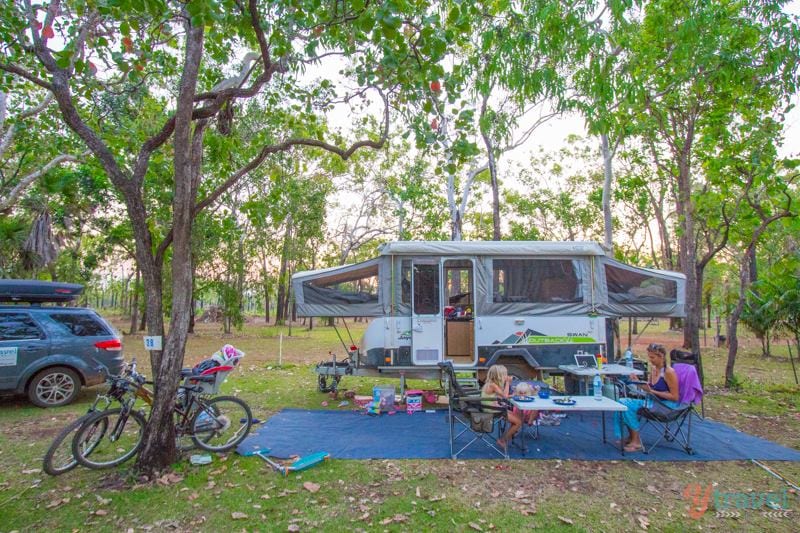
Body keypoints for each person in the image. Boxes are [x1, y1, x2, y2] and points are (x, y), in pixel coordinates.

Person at [616, 343, 681, 452]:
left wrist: (653, 392)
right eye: (649, 357)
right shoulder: (654, 369)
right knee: (621, 402)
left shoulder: (669, 372)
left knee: (626, 404)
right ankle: (631, 437)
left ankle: (636, 442)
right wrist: (636, 381)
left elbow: (674, 397)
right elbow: (649, 388)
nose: (650, 360)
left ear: (661, 356)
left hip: (665, 406)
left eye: (652, 357)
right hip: (652, 401)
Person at [482, 365, 522, 450]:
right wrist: (508, 383)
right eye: (504, 375)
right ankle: (502, 440)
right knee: (518, 422)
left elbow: (500, 396)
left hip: (493, 408)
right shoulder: (493, 385)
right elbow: (504, 396)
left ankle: (511, 433)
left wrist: (513, 395)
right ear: (498, 376)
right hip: (493, 410)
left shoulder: (490, 384)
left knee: (517, 417)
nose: (506, 376)